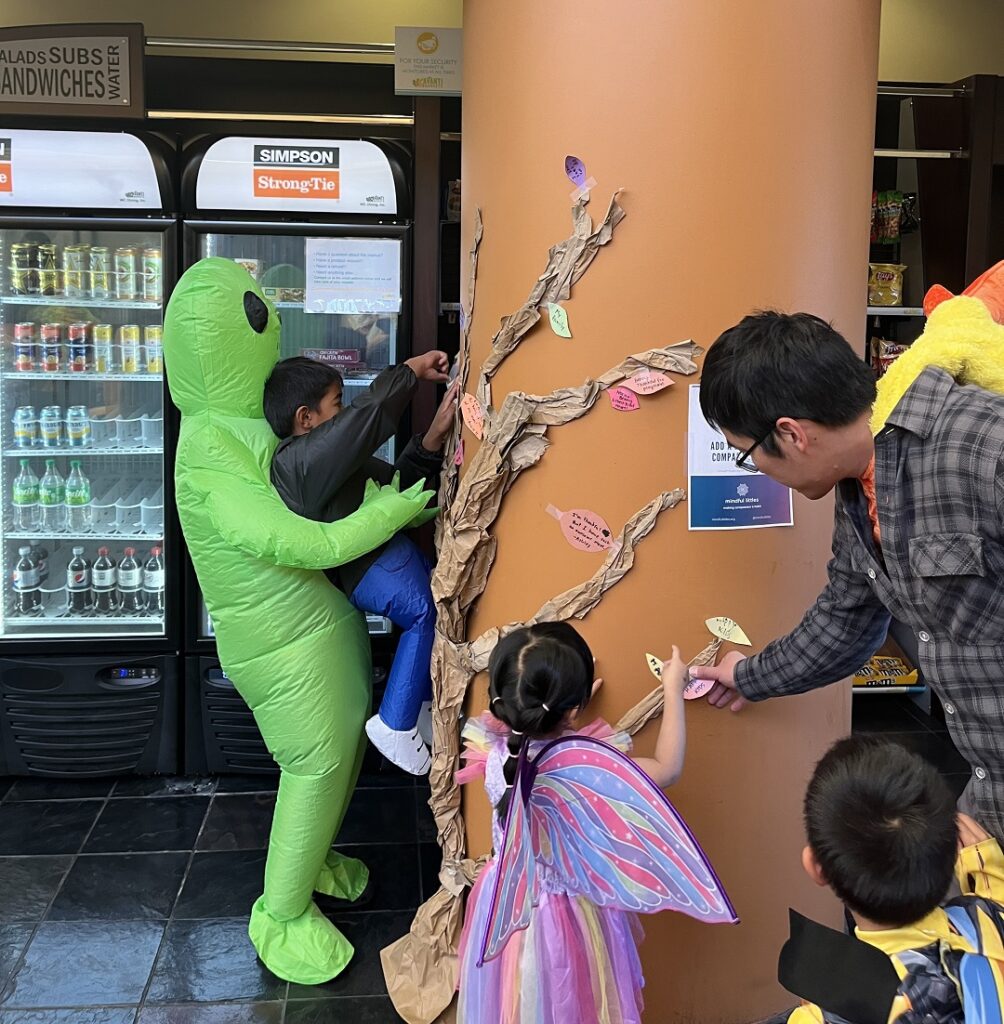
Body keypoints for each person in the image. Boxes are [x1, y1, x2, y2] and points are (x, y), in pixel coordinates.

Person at [164, 258, 436, 984]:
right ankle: (280, 913)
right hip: (284, 649)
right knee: (313, 766)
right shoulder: (210, 451)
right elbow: (288, 539)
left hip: (321, 632)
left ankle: (311, 860)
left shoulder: (251, 427)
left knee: (336, 758)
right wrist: (385, 515)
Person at [692, 301, 1004, 838]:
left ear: (791, 434)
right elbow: (844, 621)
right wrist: (749, 677)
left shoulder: (983, 446)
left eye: (748, 456)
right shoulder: (858, 486)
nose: (758, 473)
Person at [455, 622, 737, 1024]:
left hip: (505, 905)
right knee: (571, 1005)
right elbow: (667, 769)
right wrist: (673, 688)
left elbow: (537, 724)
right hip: (566, 919)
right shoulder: (580, 772)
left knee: (519, 1006)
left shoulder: (496, 749)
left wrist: (560, 701)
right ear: (572, 709)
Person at [266, 352, 459, 775]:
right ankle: (395, 721)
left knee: (429, 612)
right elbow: (363, 419)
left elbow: (393, 488)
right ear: (306, 418)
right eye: (335, 402)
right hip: (369, 570)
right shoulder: (296, 464)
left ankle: (417, 706)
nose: (341, 412)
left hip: (384, 563)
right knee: (423, 610)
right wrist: (408, 373)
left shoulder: (317, 463)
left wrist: (432, 440)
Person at [780, 735, 1004, 1022]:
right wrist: (985, 863)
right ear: (952, 854)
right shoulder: (988, 923)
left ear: (816, 867)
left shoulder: (827, 1010)